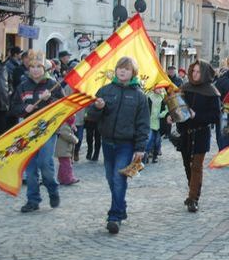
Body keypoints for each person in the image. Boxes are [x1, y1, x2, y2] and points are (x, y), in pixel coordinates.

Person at [86, 57, 149, 234]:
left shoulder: (139, 96)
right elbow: (91, 117)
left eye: (127, 69)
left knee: (118, 177)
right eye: (120, 68)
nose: (122, 72)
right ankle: (121, 206)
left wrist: (140, 148)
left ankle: (114, 217)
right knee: (110, 177)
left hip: (126, 144)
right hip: (107, 142)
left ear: (133, 73)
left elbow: (143, 124)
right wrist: (97, 108)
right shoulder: (105, 91)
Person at [10, 51, 64, 213]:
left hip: (48, 130)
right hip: (28, 132)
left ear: (44, 67)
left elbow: (62, 106)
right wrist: (23, 109)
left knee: (44, 162)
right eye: (32, 67)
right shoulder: (23, 86)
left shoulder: (52, 84)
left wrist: (50, 99)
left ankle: (52, 189)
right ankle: (33, 199)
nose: (35, 70)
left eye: (38, 67)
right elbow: (13, 107)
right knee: (31, 167)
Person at [174, 59, 221, 212]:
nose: (194, 74)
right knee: (187, 164)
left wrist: (197, 116)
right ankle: (193, 190)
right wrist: (172, 116)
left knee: (196, 166)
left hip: (200, 133)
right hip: (185, 133)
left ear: (204, 73)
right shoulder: (185, 87)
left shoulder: (212, 92)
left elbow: (215, 116)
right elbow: (178, 107)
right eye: (193, 71)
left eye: (198, 71)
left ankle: (193, 198)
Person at [144, 87, 167, 164]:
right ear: (154, 88)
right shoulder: (149, 96)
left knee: (157, 141)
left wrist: (161, 114)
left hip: (159, 123)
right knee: (149, 139)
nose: (160, 89)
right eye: (158, 88)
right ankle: (146, 154)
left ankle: (155, 156)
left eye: (161, 88)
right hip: (150, 122)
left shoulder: (163, 97)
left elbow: (166, 109)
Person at [55, 116, 80, 185]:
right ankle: (69, 178)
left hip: (64, 149)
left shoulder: (66, 125)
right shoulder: (64, 125)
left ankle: (61, 178)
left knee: (63, 165)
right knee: (67, 165)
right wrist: (75, 139)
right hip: (63, 149)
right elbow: (67, 135)